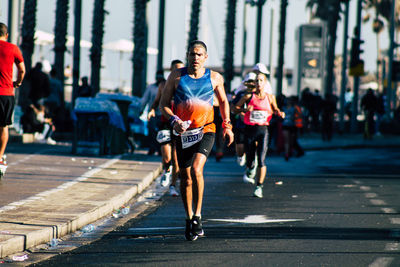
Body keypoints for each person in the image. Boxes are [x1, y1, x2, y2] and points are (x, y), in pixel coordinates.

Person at [160, 40, 234, 241]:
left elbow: (224, 101)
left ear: (206, 57)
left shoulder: (215, 78)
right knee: (185, 178)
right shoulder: (176, 76)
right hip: (182, 132)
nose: (195, 58)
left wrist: (227, 126)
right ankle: (188, 217)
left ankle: (198, 216)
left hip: (206, 129)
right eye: (192, 54)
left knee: (197, 169)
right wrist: (174, 120)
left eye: (199, 54)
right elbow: (163, 105)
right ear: (187, 55)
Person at [234, 65, 284, 198]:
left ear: (265, 83)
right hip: (249, 130)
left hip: (263, 130)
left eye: (261, 80)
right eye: (256, 81)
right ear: (254, 83)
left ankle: (259, 186)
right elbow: (234, 108)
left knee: (262, 160)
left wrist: (280, 113)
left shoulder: (270, 97)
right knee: (250, 160)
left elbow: (275, 110)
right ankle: (250, 168)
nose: (258, 83)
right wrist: (244, 110)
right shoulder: (248, 96)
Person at [148, 59, 185, 196]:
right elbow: (157, 100)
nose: (178, 72)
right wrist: (152, 109)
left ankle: (173, 185)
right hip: (165, 121)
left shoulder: (185, 85)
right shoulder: (163, 85)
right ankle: (167, 170)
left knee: (176, 158)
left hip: (180, 123)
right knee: (166, 155)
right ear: (171, 70)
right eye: (175, 69)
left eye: (180, 69)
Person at [0, 23, 25, 177]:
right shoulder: (12, 48)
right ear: (6, 35)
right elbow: (22, 69)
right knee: (3, 126)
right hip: (6, 93)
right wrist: (18, 82)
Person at [231, 72, 257, 168]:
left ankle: (253, 161)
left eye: (253, 81)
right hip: (242, 124)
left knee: (254, 145)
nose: (251, 84)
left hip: (255, 124)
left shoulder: (260, 94)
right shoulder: (241, 94)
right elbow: (233, 108)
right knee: (240, 147)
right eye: (249, 81)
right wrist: (242, 112)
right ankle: (241, 155)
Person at [141, 70, 165, 155]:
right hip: (152, 113)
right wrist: (141, 109)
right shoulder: (151, 87)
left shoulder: (166, 86)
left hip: (163, 114)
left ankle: (160, 149)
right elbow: (145, 99)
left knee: (162, 132)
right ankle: (152, 148)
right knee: (151, 131)